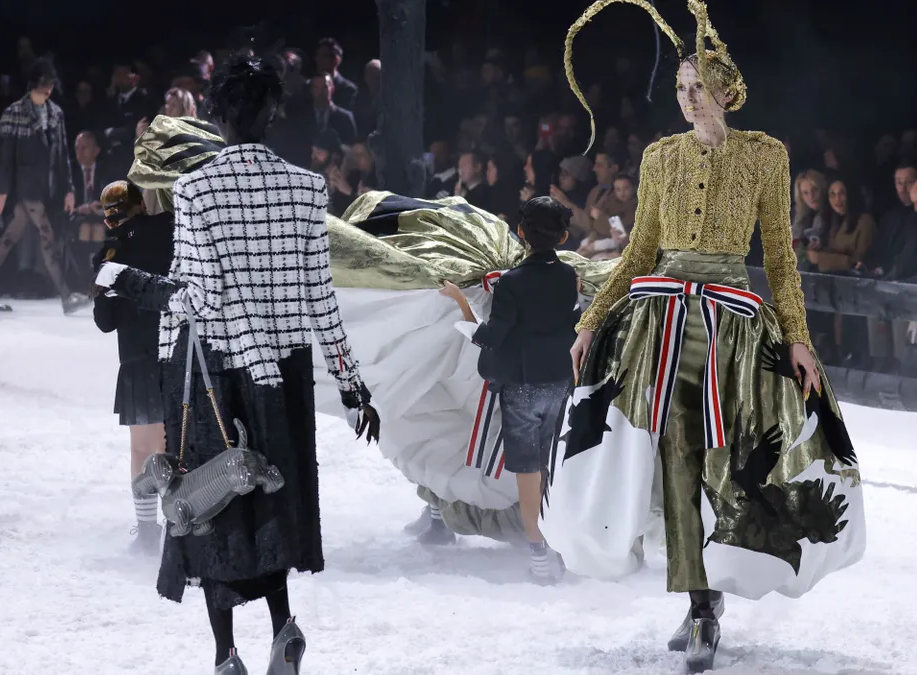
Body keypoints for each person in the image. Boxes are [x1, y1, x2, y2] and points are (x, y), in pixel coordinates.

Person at [539, 2, 864, 673]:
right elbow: (636, 254)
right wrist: (592, 318)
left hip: (733, 327)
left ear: (727, 91)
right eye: (681, 88)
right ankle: (699, 604)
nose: (688, 99)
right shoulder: (660, 158)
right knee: (671, 456)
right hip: (660, 322)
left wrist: (798, 337)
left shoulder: (765, 155)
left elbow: (780, 255)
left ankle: (707, 596)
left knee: (730, 457)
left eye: (699, 87)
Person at [94, 52, 380, 675]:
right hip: (286, 374)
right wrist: (355, 385)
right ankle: (284, 629)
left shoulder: (196, 189)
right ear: (274, 112)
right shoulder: (307, 188)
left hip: (215, 372)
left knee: (211, 507)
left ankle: (226, 653)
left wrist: (129, 281)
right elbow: (320, 299)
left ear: (217, 115)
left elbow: (196, 298)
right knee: (270, 503)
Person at [439, 196, 578, 583]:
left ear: (520, 233)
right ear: (564, 236)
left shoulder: (512, 283)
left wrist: (461, 303)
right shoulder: (569, 277)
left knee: (527, 470)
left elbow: (490, 337)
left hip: (521, 384)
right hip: (560, 381)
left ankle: (537, 547)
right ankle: (555, 541)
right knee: (549, 465)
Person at [92, 179, 178, 554]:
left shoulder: (110, 252)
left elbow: (105, 321)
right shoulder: (173, 229)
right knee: (177, 445)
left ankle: (147, 532)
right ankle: (181, 524)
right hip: (176, 350)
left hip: (136, 359)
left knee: (144, 451)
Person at [0, 58, 90, 314]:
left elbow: (62, 156)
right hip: (24, 188)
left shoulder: (56, 113)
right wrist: (1, 191)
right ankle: (66, 296)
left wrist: (69, 189)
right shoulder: (14, 112)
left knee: (9, 238)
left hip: (46, 188)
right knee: (47, 236)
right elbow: (5, 157)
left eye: (52, 83)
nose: (49, 88)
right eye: (45, 83)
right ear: (34, 83)